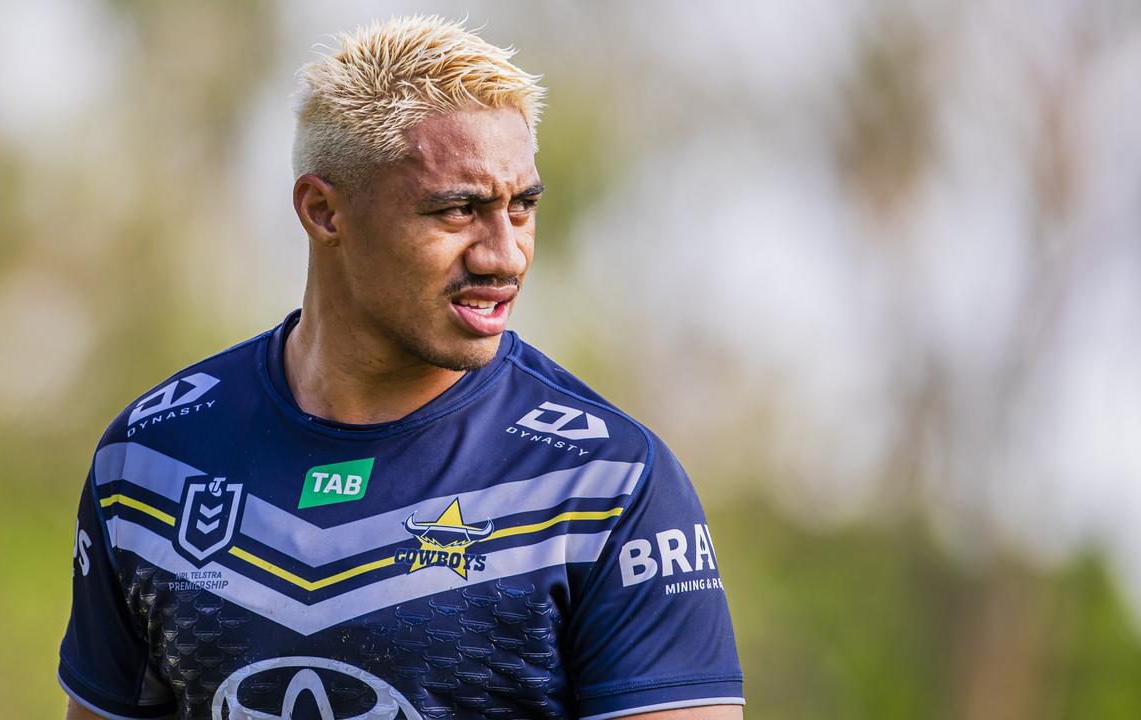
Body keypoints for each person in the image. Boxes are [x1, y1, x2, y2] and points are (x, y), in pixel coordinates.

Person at [59, 15, 743, 720]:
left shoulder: (609, 481)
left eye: (523, 206)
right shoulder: (150, 463)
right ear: (324, 212)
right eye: (458, 210)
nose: (504, 255)